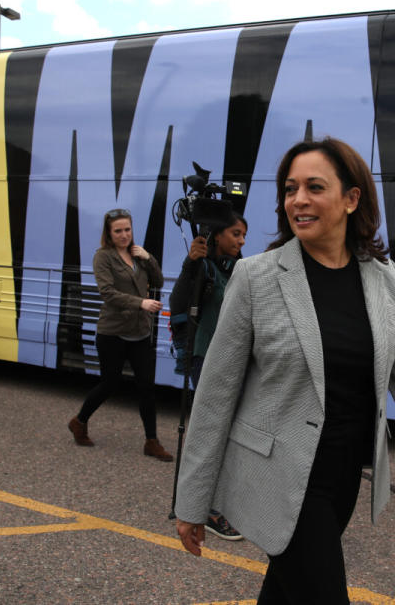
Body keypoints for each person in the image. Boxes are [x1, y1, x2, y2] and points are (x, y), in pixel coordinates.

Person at [174, 138, 395, 603]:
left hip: (343, 476)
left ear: (351, 199)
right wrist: (193, 501)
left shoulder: (384, 278)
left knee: (286, 592)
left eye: (314, 187)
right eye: (290, 188)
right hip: (277, 477)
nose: (298, 199)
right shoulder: (256, 277)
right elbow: (216, 394)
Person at [67, 208, 173, 461]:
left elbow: (157, 282)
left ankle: (151, 441)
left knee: (146, 387)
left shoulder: (138, 255)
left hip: (140, 332)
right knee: (109, 383)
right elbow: (107, 293)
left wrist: (149, 258)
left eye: (127, 229)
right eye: (118, 231)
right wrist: (141, 303)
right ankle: (79, 421)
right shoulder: (103, 257)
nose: (124, 235)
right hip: (113, 332)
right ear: (109, 233)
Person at [169, 211, 248, 541]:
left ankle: (220, 501)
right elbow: (178, 302)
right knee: (213, 434)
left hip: (234, 361)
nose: (241, 241)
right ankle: (210, 510)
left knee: (230, 435)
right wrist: (190, 264)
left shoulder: (237, 269)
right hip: (206, 358)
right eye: (235, 234)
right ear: (217, 236)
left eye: (243, 234)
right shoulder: (203, 268)